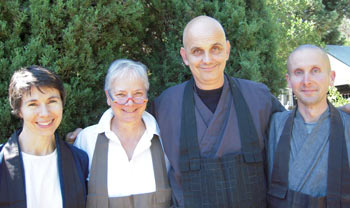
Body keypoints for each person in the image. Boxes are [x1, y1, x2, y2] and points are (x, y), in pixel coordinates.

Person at [151, 16, 285, 207]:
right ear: (185, 56)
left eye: (215, 48)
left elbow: (297, 128)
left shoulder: (258, 97)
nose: (207, 59)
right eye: (197, 51)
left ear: (227, 50)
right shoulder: (165, 105)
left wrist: (338, 113)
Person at [74, 59, 171, 208]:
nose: (130, 102)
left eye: (138, 93)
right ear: (108, 96)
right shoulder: (87, 140)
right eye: (121, 94)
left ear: (146, 96)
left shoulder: (165, 138)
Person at [267, 45, 350, 207]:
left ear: (331, 77)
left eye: (315, 70)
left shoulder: (347, 127)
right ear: (289, 81)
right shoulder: (273, 125)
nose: (307, 81)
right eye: (299, 72)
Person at [0, 66, 88, 208]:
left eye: (52, 101)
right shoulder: (1, 162)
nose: (45, 113)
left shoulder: (80, 161)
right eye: (33, 104)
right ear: (19, 111)